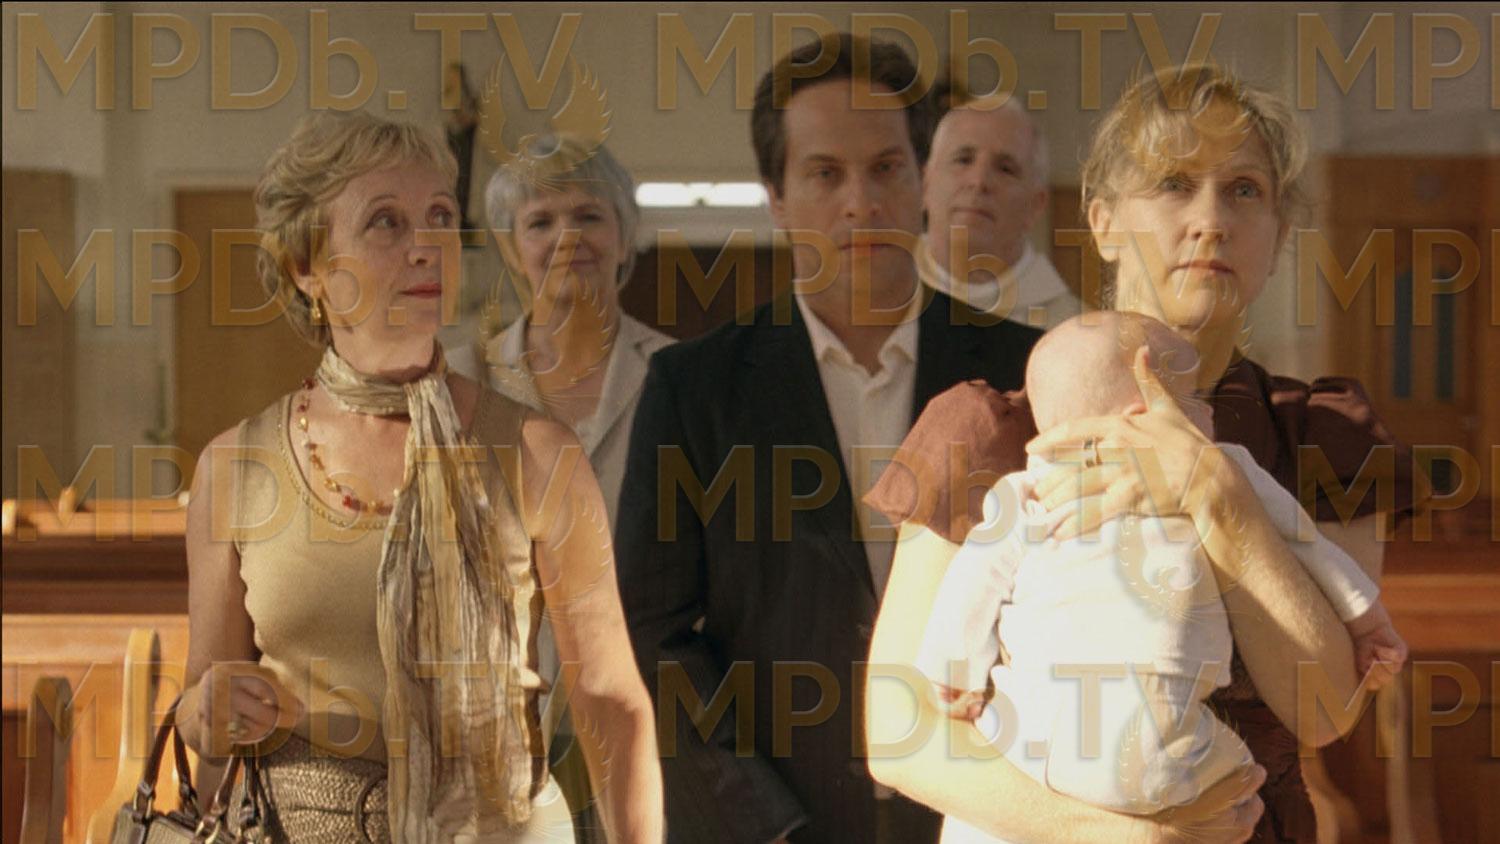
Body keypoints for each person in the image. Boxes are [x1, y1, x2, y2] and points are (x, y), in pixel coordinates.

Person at [864, 64, 1420, 844]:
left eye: (1245, 190)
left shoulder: (1323, 431)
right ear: (1102, 223)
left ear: (1278, 237)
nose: (1211, 219)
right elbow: (900, 734)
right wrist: (1130, 838)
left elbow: (1325, 710)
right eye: (1173, 185)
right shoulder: (986, 433)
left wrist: (1222, 500)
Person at [176, 111, 662, 842]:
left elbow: (611, 700)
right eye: (386, 222)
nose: (426, 246)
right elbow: (202, 707)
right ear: (307, 266)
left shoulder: (537, 452)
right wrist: (206, 708)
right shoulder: (236, 469)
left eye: (439, 216)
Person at [613, 33, 1043, 844]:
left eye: (885, 168)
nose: (861, 202)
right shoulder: (694, 390)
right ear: (776, 197)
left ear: (922, 180)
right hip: (773, 819)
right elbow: (651, 635)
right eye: (825, 174)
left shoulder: (1026, 373)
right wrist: (765, 824)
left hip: (984, 814)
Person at [913, 312, 1407, 843]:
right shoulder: (1226, 463)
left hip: (1026, 736)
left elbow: (973, 585)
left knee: (976, 819)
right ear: (1144, 415)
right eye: (1193, 398)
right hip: (1154, 740)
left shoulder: (1025, 492)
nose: (1209, 412)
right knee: (1240, 785)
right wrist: (1368, 622)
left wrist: (952, 670)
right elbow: (1314, 552)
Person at [450, 134, 675, 842]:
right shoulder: (460, 380)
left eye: (588, 216)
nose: (566, 237)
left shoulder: (681, 375)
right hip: (492, 721)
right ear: (514, 247)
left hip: (647, 707)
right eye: (540, 221)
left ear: (624, 236)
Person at [916, 81, 1079, 328]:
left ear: (1036, 205)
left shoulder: (1069, 330)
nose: (979, 181)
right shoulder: (874, 293)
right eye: (963, 160)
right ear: (925, 183)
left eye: (1005, 169)